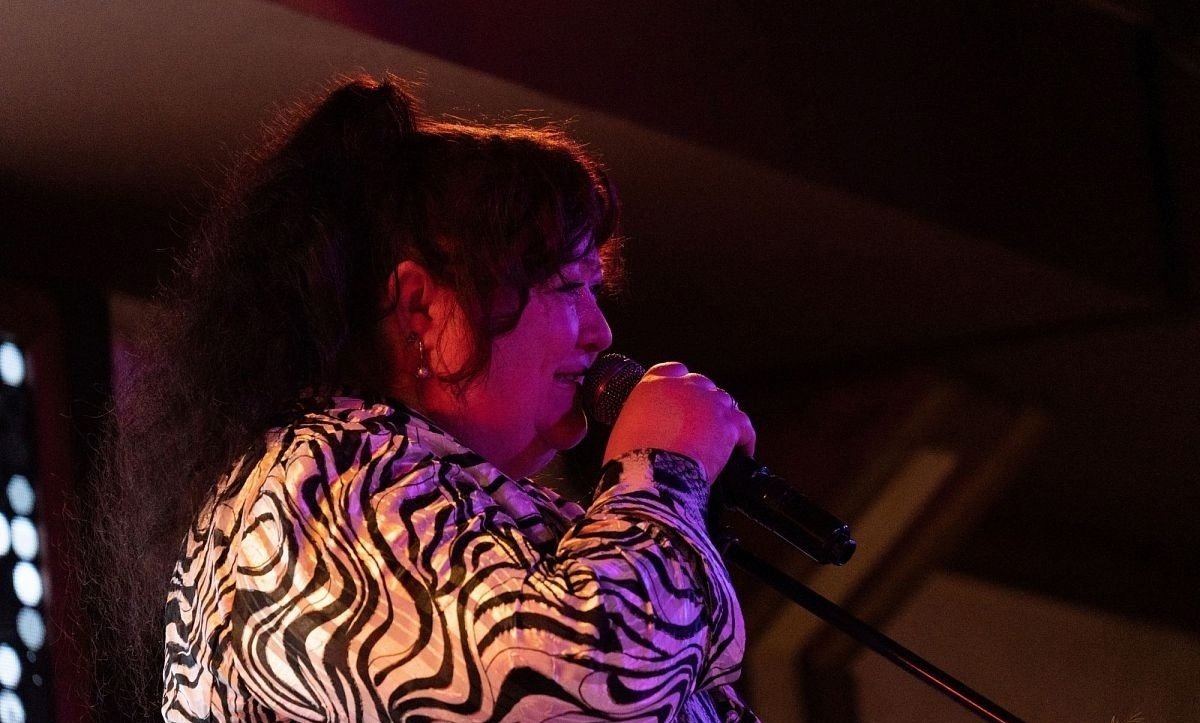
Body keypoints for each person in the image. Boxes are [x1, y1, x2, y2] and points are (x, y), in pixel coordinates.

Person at [94, 74, 758, 722]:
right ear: (421, 309)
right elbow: (559, 682)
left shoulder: (412, 492)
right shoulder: (313, 487)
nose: (600, 331)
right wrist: (660, 473)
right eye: (566, 287)